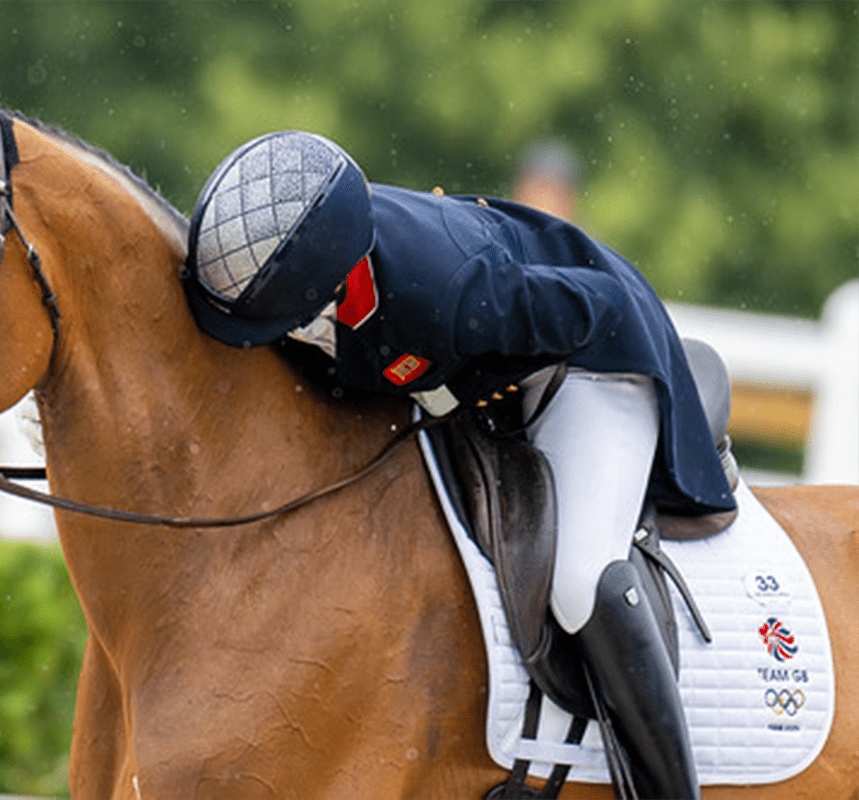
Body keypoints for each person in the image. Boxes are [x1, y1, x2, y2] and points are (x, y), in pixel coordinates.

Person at [182, 131, 736, 799]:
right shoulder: (326, 258)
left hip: (590, 352)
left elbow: (595, 313)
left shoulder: (451, 294)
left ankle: (668, 787)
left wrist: (473, 396)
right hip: (494, 343)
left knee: (580, 576)